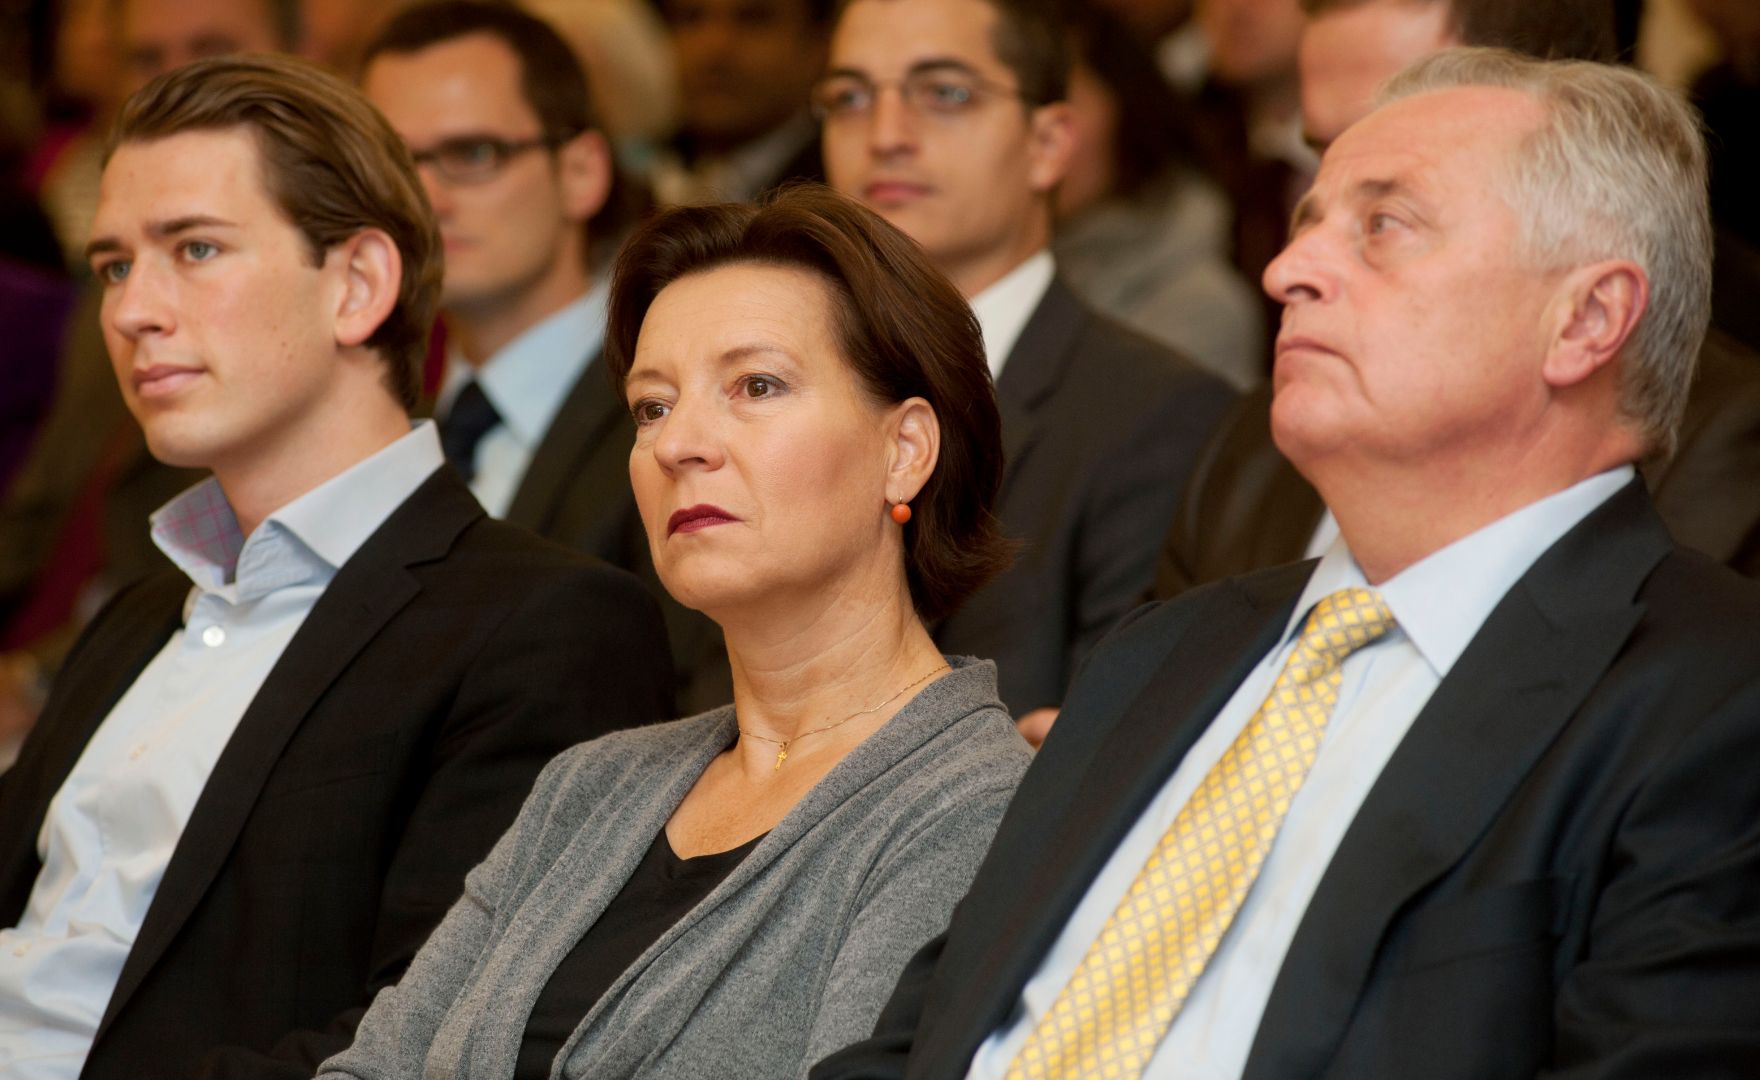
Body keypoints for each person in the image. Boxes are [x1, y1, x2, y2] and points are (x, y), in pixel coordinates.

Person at [814, 49, 1760, 1078]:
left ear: (1585, 320)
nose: (1285, 269)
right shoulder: (1160, 653)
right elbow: (920, 1040)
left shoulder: (1712, 700)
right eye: (1307, 222)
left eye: (1382, 225)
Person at [0, 55, 673, 1080]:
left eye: (195, 248)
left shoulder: (540, 625)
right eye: (115, 266)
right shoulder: (136, 617)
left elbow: (445, 1047)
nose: (133, 310)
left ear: (357, 286)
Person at [317, 186, 1032, 1080]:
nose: (676, 444)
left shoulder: (975, 807)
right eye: (652, 406)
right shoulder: (589, 787)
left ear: (906, 450)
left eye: (756, 386)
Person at [1151, 0, 1760, 596]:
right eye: (1317, 155)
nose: (1285, 270)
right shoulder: (1245, 451)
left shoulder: (1718, 468)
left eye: (1385, 215)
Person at [818, 0, 1235, 725]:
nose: (884, 136)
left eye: (945, 93)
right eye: (849, 98)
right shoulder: (767, 400)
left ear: (1048, 143)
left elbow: (1113, 744)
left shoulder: (1159, 415)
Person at [360, 0, 725, 713]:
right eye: (394, 166)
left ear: (582, 171)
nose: (425, 199)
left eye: (473, 154)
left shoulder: (681, 415)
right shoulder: (381, 427)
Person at [1051, 4, 1263, 388]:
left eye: (1062, 104)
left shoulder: (1196, 304)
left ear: (1127, 105)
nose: (1037, 136)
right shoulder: (1010, 257)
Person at [650, 0, 831, 205]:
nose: (714, 48)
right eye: (691, 17)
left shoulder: (841, 190)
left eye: (753, 19)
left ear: (817, 46)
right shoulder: (640, 171)